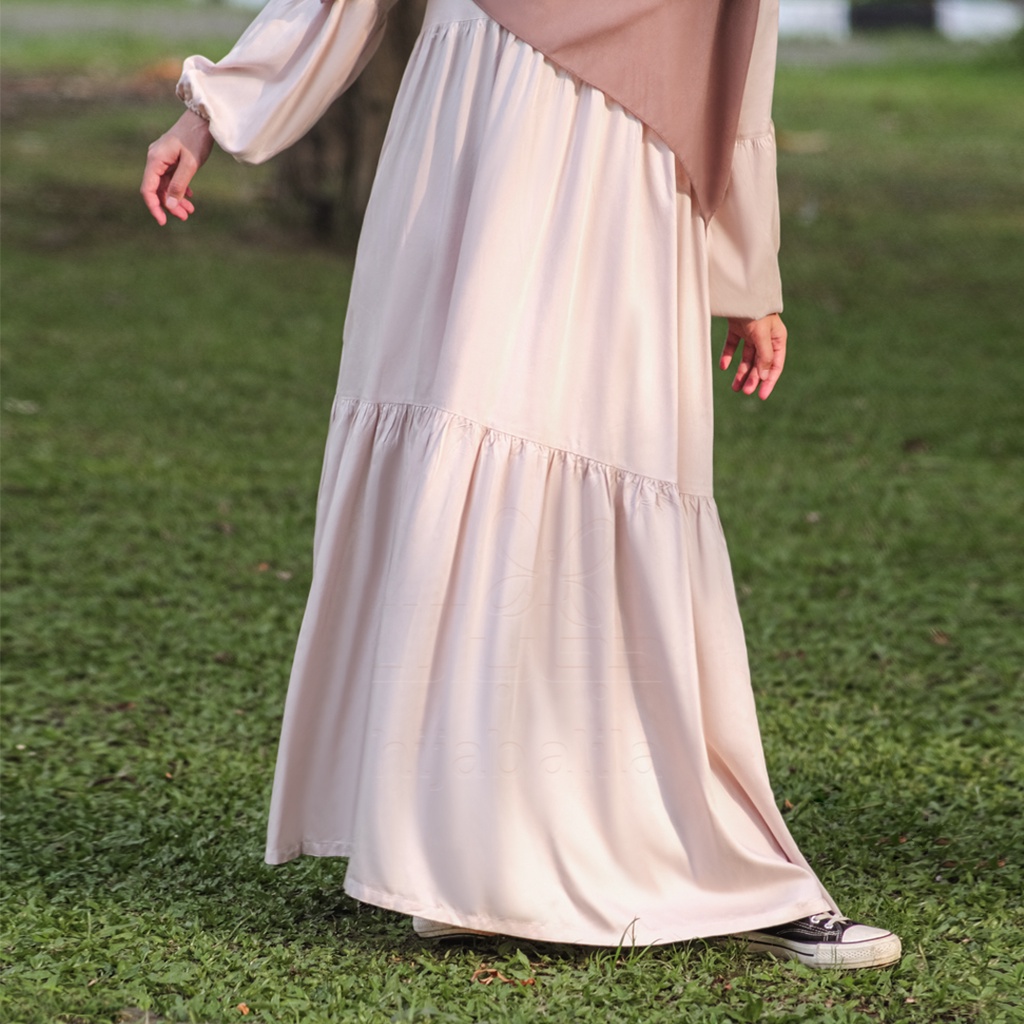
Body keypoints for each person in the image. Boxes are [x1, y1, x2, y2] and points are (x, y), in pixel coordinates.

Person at [141, 0, 901, 969]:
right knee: (467, 448)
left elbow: (736, 47)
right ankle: (464, 853)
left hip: (626, 160)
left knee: (608, 461)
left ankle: (698, 857)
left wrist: (747, 273)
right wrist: (209, 110)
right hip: (474, 125)